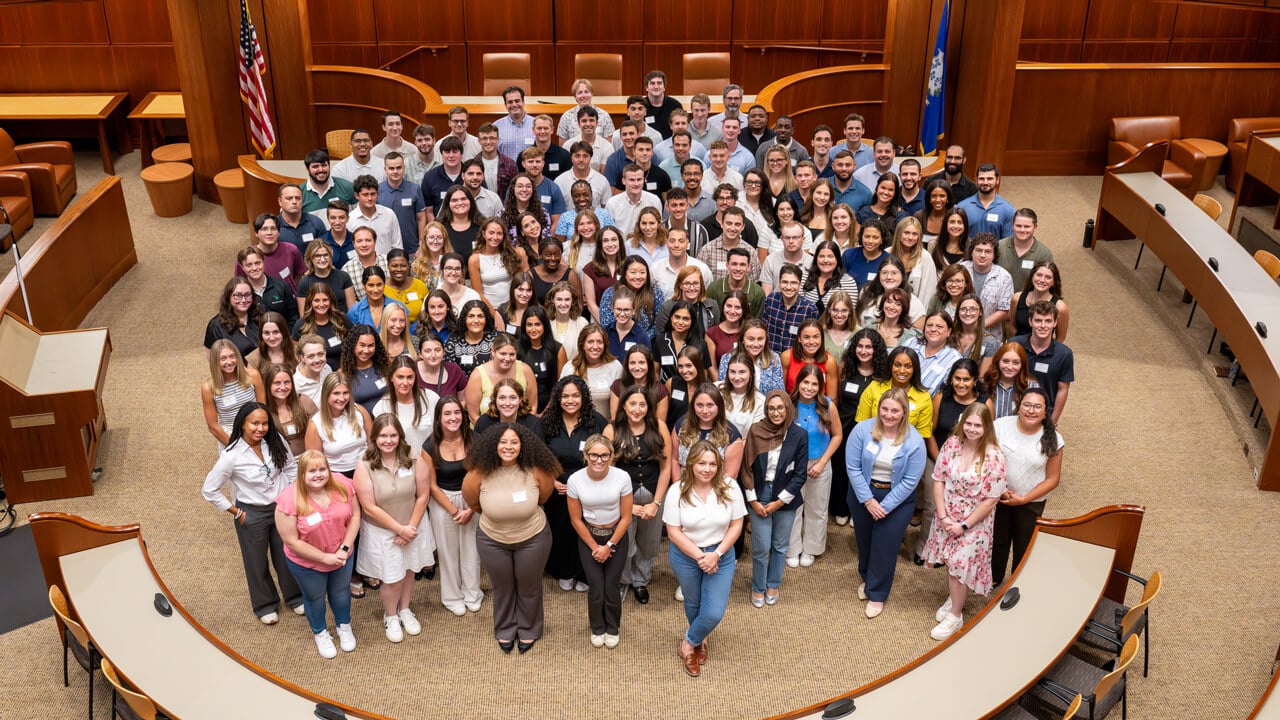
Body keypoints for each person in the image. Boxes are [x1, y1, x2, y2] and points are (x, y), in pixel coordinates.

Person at [463, 423, 559, 654]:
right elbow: (473, 502)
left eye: (514, 442)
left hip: (533, 537)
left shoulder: (537, 470)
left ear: (523, 445)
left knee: (529, 586)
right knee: (502, 587)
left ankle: (529, 629)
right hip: (492, 540)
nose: (508, 447)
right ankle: (505, 628)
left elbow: (544, 497)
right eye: (503, 442)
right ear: (493, 445)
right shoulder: (478, 473)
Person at [202, 402, 303, 623]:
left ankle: (294, 597)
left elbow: (290, 468)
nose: (260, 428)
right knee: (256, 561)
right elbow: (209, 489)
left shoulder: (275, 441)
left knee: (286, 554)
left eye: (265, 423)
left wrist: (290, 496)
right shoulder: (231, 455)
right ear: (243, 424)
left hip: (280, 509)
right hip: (251, 514)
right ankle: (265, 604)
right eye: (254, 423)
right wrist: (237, 512)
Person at [920, 403, 1007, 640]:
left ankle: (956, 616)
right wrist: (944, 516)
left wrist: (964, 525)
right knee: (951, 562)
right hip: (947, 513)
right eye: (968, 423)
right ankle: (954, 596)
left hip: (975, 520)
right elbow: (938, 479)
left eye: (977, 425)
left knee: (960, 563)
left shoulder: (995, 456)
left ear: (986, 427)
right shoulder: (951, 445)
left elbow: (991, 499)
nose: (971, 429)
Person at [664, 439, 746, 677]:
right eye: (701, 463)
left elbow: (737, 524)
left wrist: (716, 554)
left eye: (712, 464)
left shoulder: (729, 486)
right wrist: (701, 556)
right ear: (691, 464)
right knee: (693, 600)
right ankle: (702, 638)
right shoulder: (676, 490)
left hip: (721, 554)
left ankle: (689, 643)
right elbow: (673, 532)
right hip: (686, 555)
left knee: (714, 611)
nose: (707, 469)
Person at [354, 414, 435, 643]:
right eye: (383, 436)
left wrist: (410, 527)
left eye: (393, 435)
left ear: (400, 436)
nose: (388, 440)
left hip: (413, 525)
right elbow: (369, 507)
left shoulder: (413, 456)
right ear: (374, 438)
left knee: (409, 569)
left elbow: (423, 495)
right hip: (384, 531)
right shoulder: (364, 463)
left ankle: (406, 609)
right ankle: (390, 615)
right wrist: (399, 529)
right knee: (392, 577)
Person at [846, 388, 927, 618]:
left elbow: (911, 480)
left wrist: (886, 505)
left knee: (885, 546)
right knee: (864, 540)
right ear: (878, 408)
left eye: (895, 410)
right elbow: (852, 467)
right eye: (885, 409)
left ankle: (878, 593)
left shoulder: (915, 441)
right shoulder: (862, 430)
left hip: (897, 499)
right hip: (863, 493)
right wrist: (868, 500)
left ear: (903, 413)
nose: (888, 414)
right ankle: (867, 577)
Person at [275, 450, 361, 658]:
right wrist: (325, 558)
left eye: (322, 469)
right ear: (302, 474)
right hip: (307, 564)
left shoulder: (342, 485)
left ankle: (343, 625)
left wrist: (345, 549)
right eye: (312, 471)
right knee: (314, 599)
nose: (318, 474)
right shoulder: (288, 499)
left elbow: (356, 516)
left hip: (342, 556)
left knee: (340, 593)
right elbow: (291, 540)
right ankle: (320, 632)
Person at [602, 385, 672, 606]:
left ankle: (641, 580)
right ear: (623, 405)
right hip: (623, 499)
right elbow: (607, 472)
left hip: (653, 495)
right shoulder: (612, 430)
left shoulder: (659, 427)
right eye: (632, 403)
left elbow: (666, 468)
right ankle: (623, 580)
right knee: (625, 542)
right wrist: (627, 507)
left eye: (642, 404)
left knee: (649, 543)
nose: (637, 409)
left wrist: (657, 502)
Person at [915, 357, 988, 565]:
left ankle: (953, 550)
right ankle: (925, 548)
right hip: (937, 460)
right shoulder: (940, 398)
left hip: (969, 467)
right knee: (933, 506)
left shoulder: (984, 403)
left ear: (974, 380)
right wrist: (941, 462)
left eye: (966, 379)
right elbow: (929, 432)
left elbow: (988, 436)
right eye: (957, 378)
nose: (961, 384)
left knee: (960, 509)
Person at [540, 376, 609, 595]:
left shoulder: (596, 421)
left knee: (586, 530)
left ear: (583, 397)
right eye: (565, 396)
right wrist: (550, 480)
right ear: (557, 398)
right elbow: (538, 454)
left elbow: (605, 454)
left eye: (575, 395)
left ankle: (583, 573)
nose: (570, 400)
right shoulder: (547, 422)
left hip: (588, 488)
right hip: (557, 488)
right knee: (561, 530)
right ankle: (564, 571)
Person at [741, 390, 807, 607]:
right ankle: (758, 586)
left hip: (785, 497)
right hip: (759, 494)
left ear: (788, 408)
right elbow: (746, 468)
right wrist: (753, 501)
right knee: (761, 547)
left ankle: (773, 584)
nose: (776, 412)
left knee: (779, 545)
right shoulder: (756, 430)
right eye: (771, 408)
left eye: (780, 408)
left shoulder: (798, 435)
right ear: (766, 409)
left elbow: (799, 475)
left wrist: (779, 502)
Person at [566, 434, 633, 648]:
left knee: (611, 586)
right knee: (596, 586)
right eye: (593, 455)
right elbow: (576, 520)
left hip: (616, 536)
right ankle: (597, 627)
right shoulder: (575, 480)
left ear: (612, 456)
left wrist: (610, 545)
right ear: (585, 455)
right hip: (589, 537)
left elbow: (626, 517)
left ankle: (612, 628)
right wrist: (596, 547)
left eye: (605, 455)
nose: (599, 460)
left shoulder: (622, 477)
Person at [991, 387, 1063, 585]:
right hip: (999, 495)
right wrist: (999, 488)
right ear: (1018, 407)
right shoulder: (1000, 426)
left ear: (1045, 411)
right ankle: (994, 577)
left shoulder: (1054, 439)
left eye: (1037, 407)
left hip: (1031, 502)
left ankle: (1016, 583)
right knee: (998, 539)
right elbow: (987, 458)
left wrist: (1023, 498)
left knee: (1024, 545)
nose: (1031, 411)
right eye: (1027, 405)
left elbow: (1052, 479)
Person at [422, 396, 483, 616]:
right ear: (438, 418)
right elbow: (431, 485)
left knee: (471, 550)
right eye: (447, 413)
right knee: (448, 552)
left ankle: (472, 592)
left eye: (457, 412)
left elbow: (482, 477)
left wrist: (471, 508)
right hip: (443, 501)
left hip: (471, 499)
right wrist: (454, 510)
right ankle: (451, 596)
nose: (453, 417)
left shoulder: (474, 440)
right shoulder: (429, 446)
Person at [785, 364, 841, 568]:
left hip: (819, 463)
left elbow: (838, 435)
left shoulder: (827, 405)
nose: (808, 387)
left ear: (821, 386)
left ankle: (811, 547)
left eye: (814, 384)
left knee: (817, 507)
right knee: (792, 507)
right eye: (805, 382)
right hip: (792, 465)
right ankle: (792, 548)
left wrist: (823, 462)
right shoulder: (788, 403)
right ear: (798, 382)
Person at [833, 329, 888, 527]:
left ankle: (859, 510)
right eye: (860, 346)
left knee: (866, 469)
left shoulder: (884, 375)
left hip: (872, 431)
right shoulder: (844, 368)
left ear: (877, 350)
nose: (863, 351)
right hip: (845, 426)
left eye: (869, 347)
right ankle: (841, 508)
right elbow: (837, 400)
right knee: (841, 468)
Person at [856, 346, 934, 447]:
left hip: (904, 451)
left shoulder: (924, 398)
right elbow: (862, 425)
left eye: (907, 366)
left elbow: (921, 436)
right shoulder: (874, 387)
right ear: (890, 366)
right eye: (897, 365)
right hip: (871, 445)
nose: (902, 370)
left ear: (914, 369)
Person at [1011, 301, 1074, 424]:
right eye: (1038, 320)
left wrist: (1052, 422)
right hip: (1012, 411)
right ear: (1030, 321)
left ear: (1055, 323)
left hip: (1043, 416)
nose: (1043, 326)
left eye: (1048, 321)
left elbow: (1062, 390)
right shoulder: (1014, 345)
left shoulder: (1064, 354)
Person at [201, 339, 266, 446]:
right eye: (223, 358)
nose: (229, 362)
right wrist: (234, 446)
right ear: (215, 362)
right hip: (230, 436)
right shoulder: (208, 388)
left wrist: (259, 431)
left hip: (257, 429)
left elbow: (263, 408)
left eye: (232, 356)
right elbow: (213, 426)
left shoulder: (253, 375)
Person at [373, 355, 439, 452]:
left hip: (430, 460)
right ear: (391, 378)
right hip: (401, 462)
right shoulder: (381, 407)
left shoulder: (431, 398)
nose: (405, 382)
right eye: (400, 377)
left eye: (409, 377)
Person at [958, 232, 1014, 343]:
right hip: (958, 333)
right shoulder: (960, 270)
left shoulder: (1004, 277)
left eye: (988, 251)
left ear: (994, 255)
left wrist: (978, 327)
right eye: (978, 250)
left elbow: (1004, 311)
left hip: (989, 336)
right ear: (972, 252)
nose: (982, 255)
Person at [561, 323, 623, 419]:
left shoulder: (615, 367)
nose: (595, 346)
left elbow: (621, 405)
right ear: (582, 345)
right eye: (590, 342)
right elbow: (561, 398)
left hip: (606, 427)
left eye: (599, 342)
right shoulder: (570, 367)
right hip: (577, 427)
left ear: (605, 344)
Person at [470, 218, 529, 319]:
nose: (495, 237)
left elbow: (521, 283)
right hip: (489, 310)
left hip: (513, 308)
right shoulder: (475, 259)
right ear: (484, 234)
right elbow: (478, 293)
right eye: (491, 233)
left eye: (499, 233)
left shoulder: (513, 254)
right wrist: (496, 316)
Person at [599, 255, 665, 342]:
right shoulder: (610, 293)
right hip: (616, 341)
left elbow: (659, 324)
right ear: (625, 273)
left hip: (646, 343)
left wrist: (641, 339)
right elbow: (606, 323)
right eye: (633, 272)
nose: (638, 277)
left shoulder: (655, 292)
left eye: (642, 272)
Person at [854, 255, 927, 330]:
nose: (889, 277)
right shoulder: (867, 292)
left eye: (894, 273)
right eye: (884, 273)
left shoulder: (913, 303)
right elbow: (857, 321)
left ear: (902, 274)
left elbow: (917, 337)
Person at [761, 264, 819, 354]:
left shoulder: (809, 309)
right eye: (785, 282)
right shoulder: (771, 301)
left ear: (800, 284)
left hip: (795, 359)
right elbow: (762, 330)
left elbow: (812, 341)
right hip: (770, 357)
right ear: (779, 283)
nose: (788, 287)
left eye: (793, 283)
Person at [901, 311, 964, 395]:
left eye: (939, 326)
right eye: (929, 325)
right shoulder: (911, 343)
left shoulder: (955, 360)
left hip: (926, 405)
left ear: (949, 331)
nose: (933, 329)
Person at [716, 318, 785, 394]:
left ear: (766, 340)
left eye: (760, 339)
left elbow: (779, 392)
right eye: (751, 339)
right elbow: (722, 390)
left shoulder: (773, 359)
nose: (756, 344)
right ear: (742, 339)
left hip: (765, 404)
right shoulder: (727, 359)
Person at [263, 363, 317, 457]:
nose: (283, 387)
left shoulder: (304, 401)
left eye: (287, 382)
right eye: (277, 383)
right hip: (280, 464)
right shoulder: (263, 410)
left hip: (307, 459)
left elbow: (318, 432)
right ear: (268, 385)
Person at [609, 345, 671, 424]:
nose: (637, 367)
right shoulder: (617, 386)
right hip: (622, 434)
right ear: (627, 365)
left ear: (649, 364)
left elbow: (660, 425)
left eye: (641, 363)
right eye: (632, 363)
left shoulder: (660, 390)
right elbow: (615, 421)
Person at [655, 300, 714, 382]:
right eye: (677, 317)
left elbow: (703, 375)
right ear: (671, 317)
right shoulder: (660, 339)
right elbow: (655, 373)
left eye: (685, 319)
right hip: (666, 388)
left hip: (692, 389)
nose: (680, 322)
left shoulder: (701, 344)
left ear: (692, 321)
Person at [205, 277, 263, 359]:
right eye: (238, 295)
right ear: (228, 297)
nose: (243, 300)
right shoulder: (216, 325)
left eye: (247, 295)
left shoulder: (261, 317)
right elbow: (212, 357)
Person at [998, 208, 1055, 289]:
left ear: (1035, 227)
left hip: (1028, 301)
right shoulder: (999, 246)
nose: (1022, 230)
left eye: (1027, 226)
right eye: (1018, 226)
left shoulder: (1044, 254)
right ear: (1012, 225)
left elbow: (1049, 284)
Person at [294, 283, 348, 369]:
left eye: (325, 300)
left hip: (341, 373)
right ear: (310, 302)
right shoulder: (301, 325)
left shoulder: (342, 320)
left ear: (331, 301)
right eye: (316, 300)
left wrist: (343, 370)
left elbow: (352, 347)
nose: (321, 304)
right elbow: (297, 356)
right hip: (314, 375)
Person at [1011, 262, 1070, 341]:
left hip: (1043, 350)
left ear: (1053, 282)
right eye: (1039, 275)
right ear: (1032, 277)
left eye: (1048, 277)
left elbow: (1060, 338)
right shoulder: (1017, 298)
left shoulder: (1060, 307)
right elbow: (1012, 326)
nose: (1042, 280)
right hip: (1019, 347)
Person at [340, 324, 390, 414]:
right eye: (362, 345)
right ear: (353, 345)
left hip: (387, 419)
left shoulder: (384, 365)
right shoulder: (343, 373)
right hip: (361, 422)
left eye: (371, 345)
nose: (366, 350)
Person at [296, 241, 356, 316]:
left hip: (342, 324)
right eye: (317, 256)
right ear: (310, 258)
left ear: (331, 256)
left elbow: (352, 311)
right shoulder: (304, 283)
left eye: (326, 255)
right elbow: (303, 316)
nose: (323, 259)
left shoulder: (343, 276)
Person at [983, 341, 1040, 421]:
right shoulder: (986, 382)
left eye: (1015, 363)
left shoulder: (1032, 386)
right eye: (1005, 361)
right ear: (998, 361)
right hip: (991, 431)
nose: (1010, 367)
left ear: (1022, 365)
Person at [781, 318, 838, 396]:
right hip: (792, 404)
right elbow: (781, 392)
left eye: (815, 337)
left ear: (821, 338)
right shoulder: (787, 356)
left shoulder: (829, 361)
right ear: (799, 338)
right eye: (806, 337)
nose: (811, 342)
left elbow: (832, 398)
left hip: (818, 406)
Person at [956, 163, 1015, 238]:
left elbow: (1007, 243)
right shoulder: (962, 207)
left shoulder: (1008, 209)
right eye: (981, 179)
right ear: (976, 180)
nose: (985, 182)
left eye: (989, 179)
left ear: (997, 180)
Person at [892, 217, 939, 310]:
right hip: (890, 309)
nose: (910, 237)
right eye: (906, 233)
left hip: (915, 311)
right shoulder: (887, 253)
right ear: (898, 233)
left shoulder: (925, 257)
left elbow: (929, 291)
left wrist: (920, 315)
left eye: (915, 234)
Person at [582, 225, 625, 324]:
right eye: (605, 241)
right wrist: (606, 325)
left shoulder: (629, 266)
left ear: (620, 242)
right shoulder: (590, 269)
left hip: (627, 322)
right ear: (600, 244)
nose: (610, 244)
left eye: (614, 239)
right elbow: (591, 304)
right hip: (599, 323)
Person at [802, 240, 859, 315]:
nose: (825, 260)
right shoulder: (805, 277)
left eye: (830, 256)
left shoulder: (848, 282)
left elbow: (850, 314)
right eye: (822, 256)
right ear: (816, 259)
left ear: (837, 259)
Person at [346, 266, 409, 333]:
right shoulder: (355, 311)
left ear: (384, 284)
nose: (375, 290)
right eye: (371, 285)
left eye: (379, 285)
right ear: (363, 285)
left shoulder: (398, 306)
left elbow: (405, 334)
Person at [444, 299, 498, 371]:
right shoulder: (453, 343)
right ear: (464, 319)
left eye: (480, 316)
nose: (476, 320)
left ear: (486, 319)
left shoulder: (497, 339)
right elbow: (450, 373)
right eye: (471, 316)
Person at [720, 351, 765, 438]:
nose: (736, 377)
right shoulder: (717, 390)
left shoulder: (760, 402)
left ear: (751, 373)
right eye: (732, 372)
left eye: (742, 372)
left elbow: (753, 438)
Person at [341, 228, 389, 303]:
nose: (364, 245)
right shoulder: (347, 269)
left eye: (368, 240)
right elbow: (352, 302)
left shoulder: (388, 261)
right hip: (362, 313)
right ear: (354, 244)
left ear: (375, 242)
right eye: (359, 241)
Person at [545, 281, 589, 363]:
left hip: (575, 371)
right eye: (559, 299)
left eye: (567, 299)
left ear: (573, 301)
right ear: (552, 300)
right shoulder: (545, 323)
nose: (563, 304)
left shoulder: (582, 323)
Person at [955, 294, 999, 377]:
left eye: (973, 309)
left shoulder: (989, 341)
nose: (968, 313)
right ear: (958, 312)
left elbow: (981, 379)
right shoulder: (949, 335)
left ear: (980, 312)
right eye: (963, 309)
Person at [383, 249, 428, 328]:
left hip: (418, 332)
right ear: (388, 267)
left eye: (403, 265)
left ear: (408, 266)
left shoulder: (420, 286)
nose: (399, 269)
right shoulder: (382, 288)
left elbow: (428, 313)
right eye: (394, 266)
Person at [531, 238, 583, 306]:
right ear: (540, 255)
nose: (553, 258)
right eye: (548, 255)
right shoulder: (531, 275)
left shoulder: (571, 275)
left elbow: (578, 304)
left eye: (557, 254)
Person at [416, 331, 467, 399]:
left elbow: (463, 399)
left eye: (437, 350)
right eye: (427, 351)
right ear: (420, 354)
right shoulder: (412, 370)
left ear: (443, 352)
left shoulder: (454, 370)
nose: (433, 355)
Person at [706, 289, 747, 369]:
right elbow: (712, 367)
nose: (732, 311)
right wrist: (721, 382)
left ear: (744, 310)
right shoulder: (712, 333)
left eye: (737, 307)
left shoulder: (749, 331)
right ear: (723, 306)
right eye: (729, 306)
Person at [842, 220, 889, 290]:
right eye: (867, 236)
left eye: (875, 237)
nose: (870, 241)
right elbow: (839, 280)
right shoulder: (849, 255)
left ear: (882, 239)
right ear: (861, 237)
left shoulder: (888, 260)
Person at [437, 252, 482, 317]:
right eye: (449, 268)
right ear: (442, 270)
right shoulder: (432, 297)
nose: (453, 273)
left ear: (462, 271)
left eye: (457, 269)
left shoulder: (473, 296)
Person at [293, 334, 333, 406]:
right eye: (311, 356)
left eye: (320, 354)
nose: (317, 360)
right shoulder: (296, 384)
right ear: (302, 357)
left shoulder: (326, 369)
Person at [819, 289, 856, 365]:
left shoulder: (859, 333)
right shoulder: (819, 331)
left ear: (850, 311)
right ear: (829, 310)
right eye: (835, 310)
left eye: (844, 311)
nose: (839, 315)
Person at [497, 271, 536, 335]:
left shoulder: (539, 310)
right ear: (513, 290)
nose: (524, 294)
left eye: (528, 290)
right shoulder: (502, 311)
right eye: (521, 289)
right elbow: (500, 340)